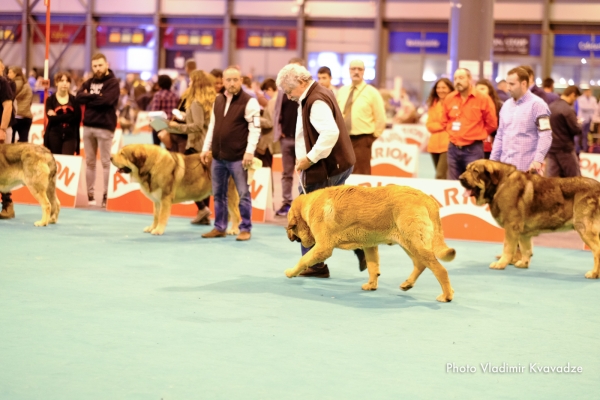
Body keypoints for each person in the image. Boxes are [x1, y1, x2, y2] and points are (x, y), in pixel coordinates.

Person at [276, 63, 356, 278]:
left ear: (301, 83)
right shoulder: (319, 93)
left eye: (288, 90)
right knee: (332, 215)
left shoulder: (315, 100)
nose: (288, 95)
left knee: (306, 215)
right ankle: (357, 245)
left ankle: (316, 265)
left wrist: (309, 159)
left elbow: (330, 133)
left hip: (325, 168)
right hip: (336, 165)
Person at [200, 66, 260, 241]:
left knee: (243, 194)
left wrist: (249, 152)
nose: (232, 83)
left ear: (241, 81)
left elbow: (255, 129)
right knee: (218, 194)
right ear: (223, 81)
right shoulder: (217, 100)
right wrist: (206, 148)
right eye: (228, 80)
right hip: (218, 157)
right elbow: (212, 126)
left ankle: (245, 228)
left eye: (235, 79)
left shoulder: (250, 102)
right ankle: (219, 227)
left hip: (238, 158)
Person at [160, 70, 214, 225]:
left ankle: (203, 209)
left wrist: (175, 127)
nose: (188, 84)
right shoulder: (210, 100)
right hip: (206, 145)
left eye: (190, 81)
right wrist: (184, 118)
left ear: (196, 83)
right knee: (204, 182)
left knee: (186, 180)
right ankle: (204, 214)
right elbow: (201, 122)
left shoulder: (196, 101)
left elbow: (196, 126)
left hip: (196, 146)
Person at [76, 53, 120, 208]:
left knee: (106, 162)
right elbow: (79, 97)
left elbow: (107, 101)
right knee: (90, 162)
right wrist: (97, 96)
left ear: (107, 64)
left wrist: (90, 97)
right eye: (95, 66)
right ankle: (90, 195)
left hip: (105, 127)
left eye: (100, 65)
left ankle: (106, 196)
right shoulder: (88, 82)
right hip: (88, 126)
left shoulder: (113, 82)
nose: (97, 68)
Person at [490, 67, 552, 173]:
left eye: (512, 84)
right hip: (505, 169)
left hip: (528, 170)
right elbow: (500, 135)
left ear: (523, 84)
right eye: (507, 83)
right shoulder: (506, 106)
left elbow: (545, 135)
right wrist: (492, 161)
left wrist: (538, 160)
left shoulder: (538, 105)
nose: (508, 87)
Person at [441, 68, 497, 180]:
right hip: (453, 148)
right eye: (455, 78)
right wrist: (453, 134)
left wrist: (477, 133)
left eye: (461, 78)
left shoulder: (483, 98)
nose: (457, 81)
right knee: (451, 184)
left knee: (474, 183)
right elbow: (444, 121)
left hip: (474, 149)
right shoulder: (449, 98)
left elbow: (492, 123)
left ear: (470, 79)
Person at [336, 59, 386, 175]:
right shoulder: (342, 91)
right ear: (349, 71)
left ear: (364, 72)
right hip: (344, 140)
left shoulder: (372, 93)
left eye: (360, 69)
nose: (356, 72)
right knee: (343, 172)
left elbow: (380, 118)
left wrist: (372, 138)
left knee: (362, 172)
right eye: (353, 69)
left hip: (363, 139)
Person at [272, 57, 305, 217]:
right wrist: (279, 131)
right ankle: (286, 203)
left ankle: (302, 205)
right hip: (286, 139)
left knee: (303, 173)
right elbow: (277, 112)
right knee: (286, 174)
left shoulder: (306, 92)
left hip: (303, 141)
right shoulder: (282, 92)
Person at [546, 85, 582, 178]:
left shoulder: (550, 107)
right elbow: (576, 129)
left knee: (552, 183)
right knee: (575, 181)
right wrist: (579, 124)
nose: (575, 101)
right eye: (575, 98)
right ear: (572, 95)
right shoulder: (568, 110)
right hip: (566, 150)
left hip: (552, 149)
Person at [44, 72, 82, 155]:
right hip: (54, 134)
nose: (65, 83)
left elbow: (77, 118)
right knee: (55, 160)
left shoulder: (74, 100)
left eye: (67, 81)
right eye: (61, 80)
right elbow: (51, 119)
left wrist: (58, 116)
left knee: (67, 159)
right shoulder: (50, 100)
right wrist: (69, 116)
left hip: (70, 135)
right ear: (56, 83)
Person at [425, 78, 454, 179]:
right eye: (438, 87)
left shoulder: (453, 104)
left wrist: (438, 125)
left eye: (444, 87)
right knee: (442, 176)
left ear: (450, 89)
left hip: (447, 145)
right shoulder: (433, 104)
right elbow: (429, 125)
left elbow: (450, 123)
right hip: (433, 146)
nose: (440, 90)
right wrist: (442, 125)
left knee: (440, 175)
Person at [148, 74, 180, 149]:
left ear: (160, 83)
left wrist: (151, 124)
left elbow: (154, 111)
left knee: (156, 147)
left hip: (159, 124)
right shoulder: (175, 95)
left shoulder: (158, 95)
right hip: (171, 124)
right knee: (169, 147)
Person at [0, 69, 15, 219]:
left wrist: (2, 129)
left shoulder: (2, 82)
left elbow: (8, 106)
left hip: (1, 129)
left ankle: (7, 204)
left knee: (3, 168)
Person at [475, 79, 504, 159]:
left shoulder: (499, 105)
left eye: (482, 89)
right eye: (477, 89)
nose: (479, 92)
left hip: (494, 145)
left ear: (489, 90)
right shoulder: (472, 105)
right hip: (477, 146)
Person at [7, 67, 33, 143]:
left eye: (10, 72)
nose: (8, 74)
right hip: (26, 117)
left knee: (9, 144)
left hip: (13, 117)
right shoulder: (27, 86)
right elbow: (30, 102)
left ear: (15, 74)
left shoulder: (9, 85)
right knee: (24, 142)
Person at [255, 78, 277, 168]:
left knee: (264, 167)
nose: (266, 95)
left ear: (270, 89)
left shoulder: (272, 101)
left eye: (265, 92)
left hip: (267, 141)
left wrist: (256, 118)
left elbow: (270, 122)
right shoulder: (278, 100)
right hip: (272, 140)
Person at [577, 88, 598, 154]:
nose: (588, 93)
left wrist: (590, 108)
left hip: (590, 119)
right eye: (587, 92)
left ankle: (586, 148)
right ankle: (580, 148)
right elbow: (583, 108)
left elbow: (595, 108)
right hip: (582, 119)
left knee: (587, 134)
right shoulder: (580, 98)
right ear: (585, 92)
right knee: (581, 134)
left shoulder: (593, 98)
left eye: (590, 91)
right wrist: (591, 108)